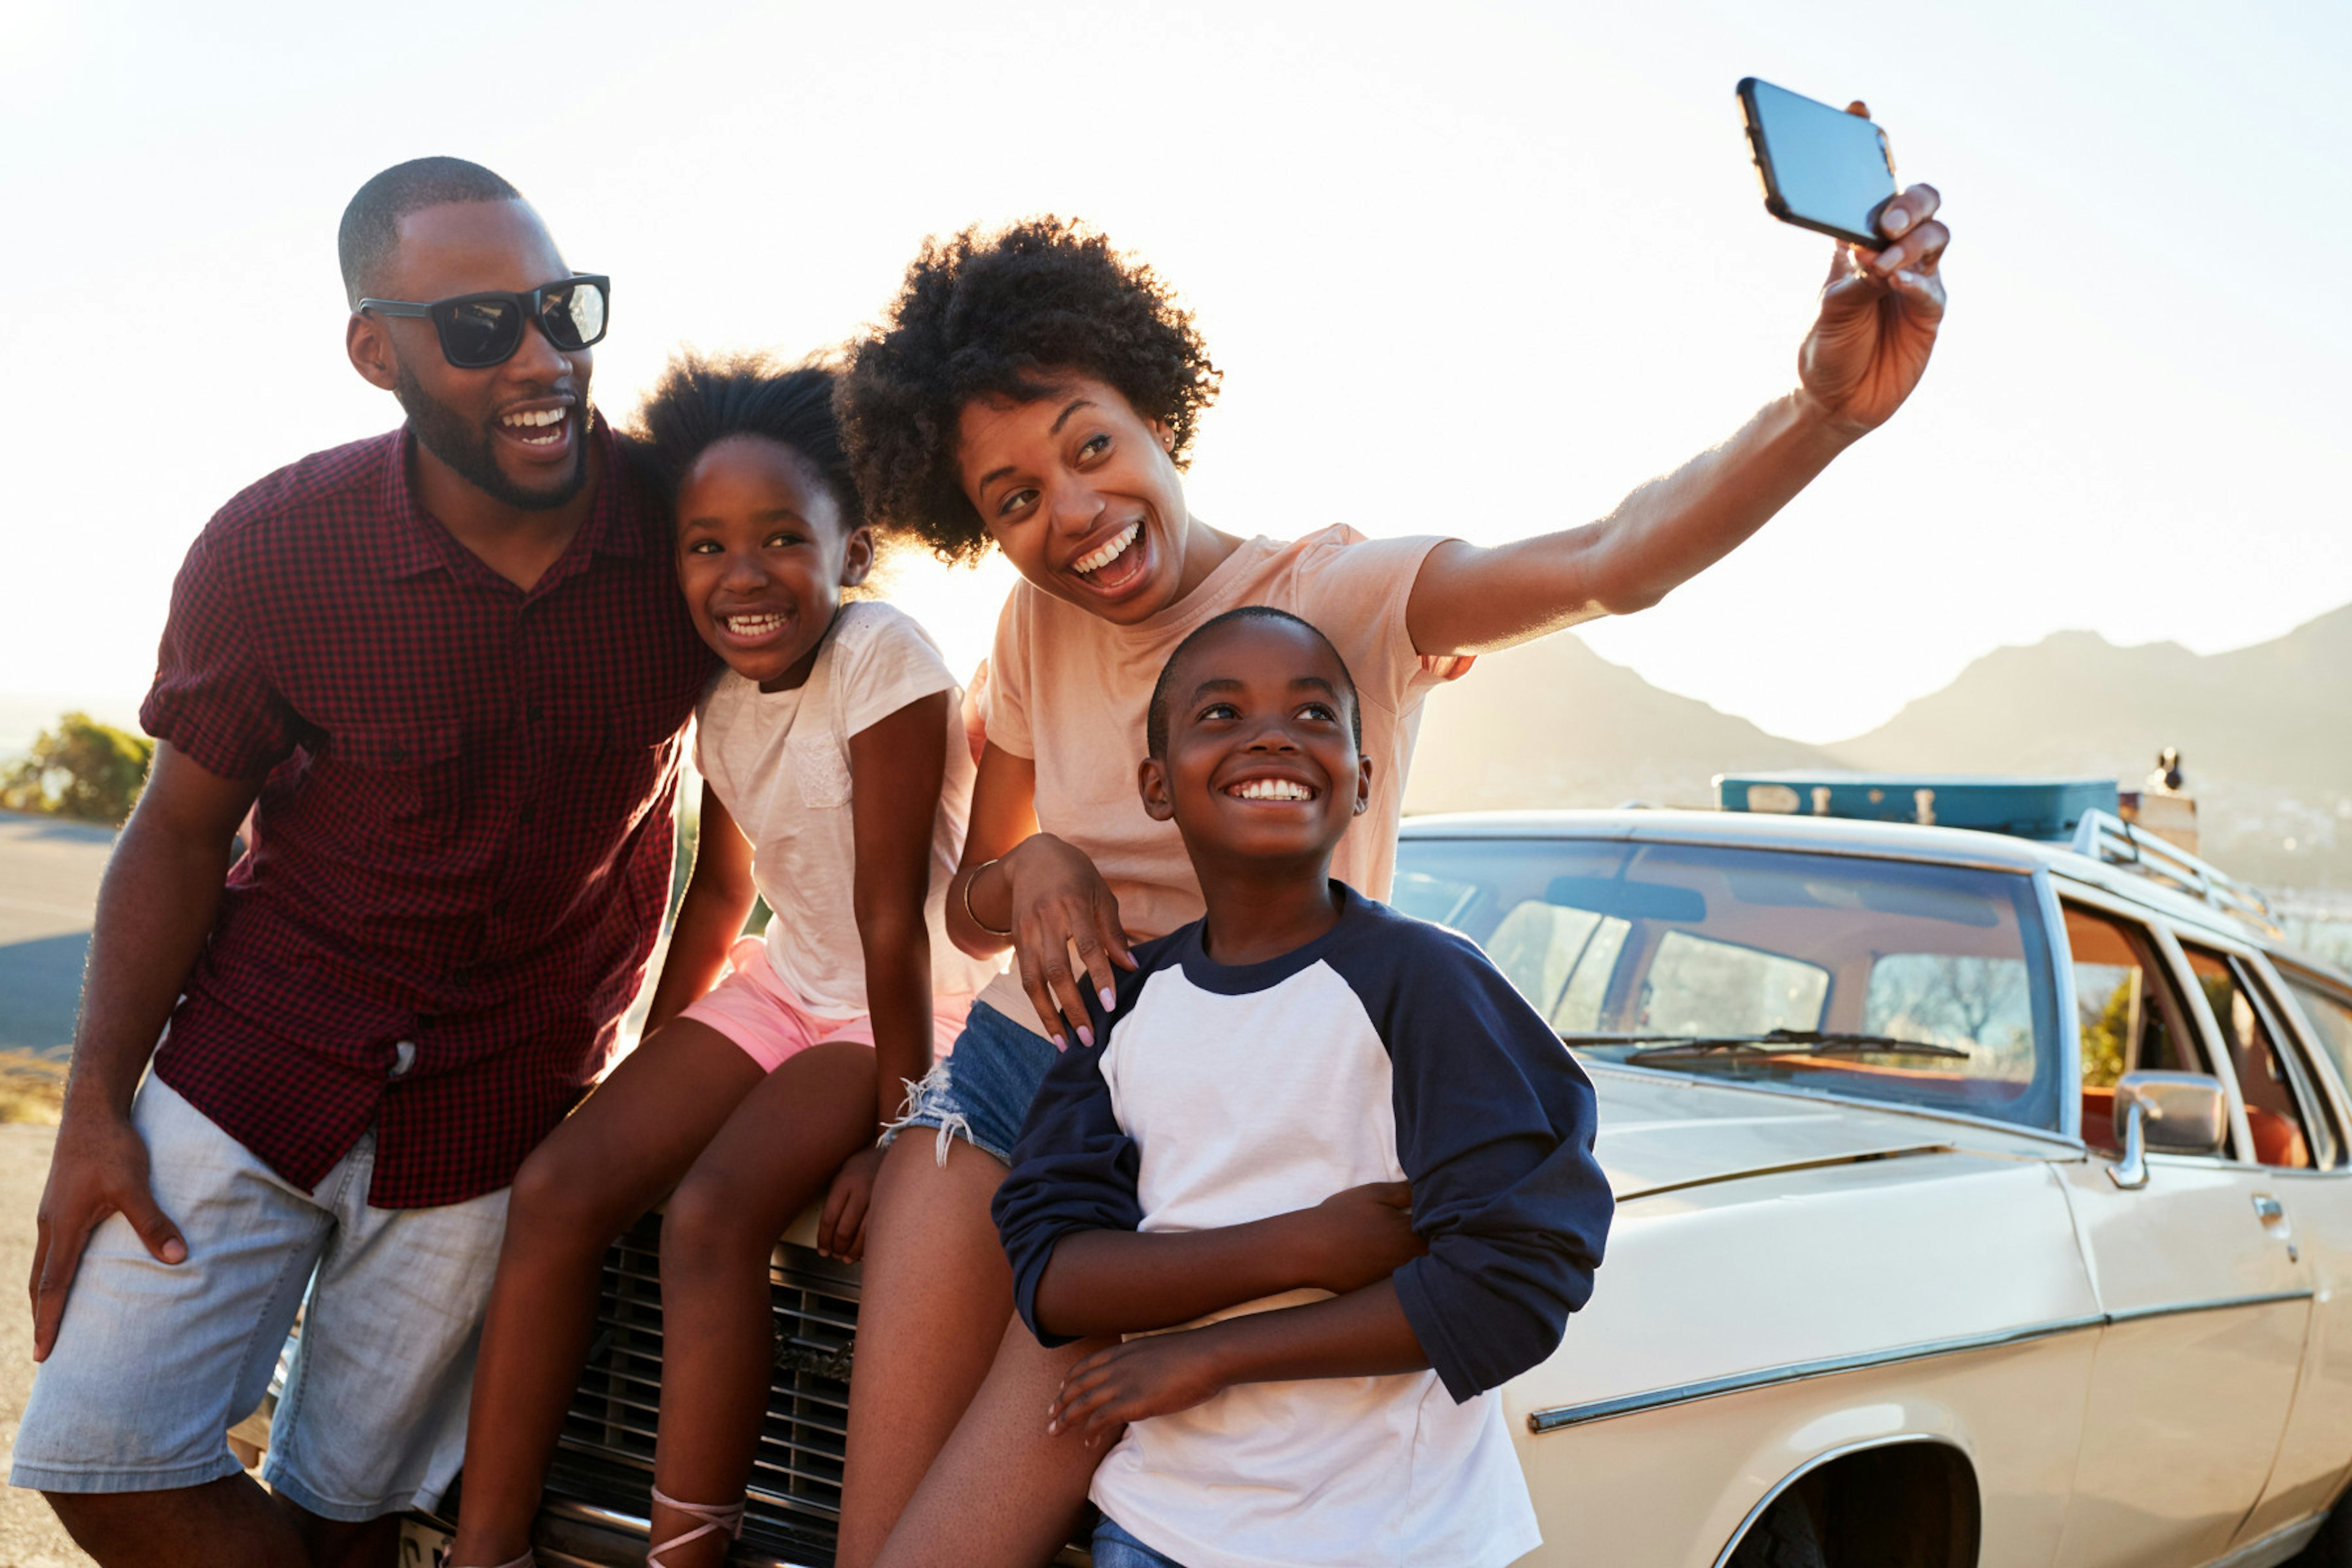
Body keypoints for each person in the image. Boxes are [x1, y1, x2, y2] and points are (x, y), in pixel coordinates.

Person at [834, 178, 1948, 1566]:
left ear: (1158, 412)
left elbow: (1615, 560)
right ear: (979, 526)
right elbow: (972, 894)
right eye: (1014, 497)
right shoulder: (1030, 624)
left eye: (1092, 445)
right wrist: (1040, 861)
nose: (1073, 510)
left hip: (1194, 1150)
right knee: (868, 1537)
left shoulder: (1336, 594)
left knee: (953, 1543)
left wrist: (1823, 411)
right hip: (1006, 1076)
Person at [12, 158, 712, 1568]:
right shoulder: (273, 547)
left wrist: (660, 1062)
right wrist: (94, 1104)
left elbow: (735, 811)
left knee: (357, 1511)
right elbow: (178, 831)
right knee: (99, 1456)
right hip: (255, 1052)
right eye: (481, 328)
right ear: (374, 350)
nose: (542, 359)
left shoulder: (686, 533)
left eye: (564, 311)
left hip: (506, 1089)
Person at [444, 354, 997, 1568]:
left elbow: (893, 915)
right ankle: (486, 1545)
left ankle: (684, 1551)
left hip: (905, 1009)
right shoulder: (721, 690)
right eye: (705, 543)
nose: (742, 573)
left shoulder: (885, 657)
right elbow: (727, 885)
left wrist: (904, 1129)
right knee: (560, 1185)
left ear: (851, 548)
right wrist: (652, 1070)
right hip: (788, 982)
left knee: (708, 1217)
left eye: (780, 537)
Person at [992, 606, 1611, 1568]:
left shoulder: (1428, 984)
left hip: (1393, 1538)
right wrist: (1303, 1245)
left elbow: (1517, 1282)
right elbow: (1053, 1271)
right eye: (1222, 713)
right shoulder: (1122, 1005)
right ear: (1158, 785)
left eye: (1315, 714)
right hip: (1158, 1526)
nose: (1273, 734)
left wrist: (1212, 1353)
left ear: (1363, 782)